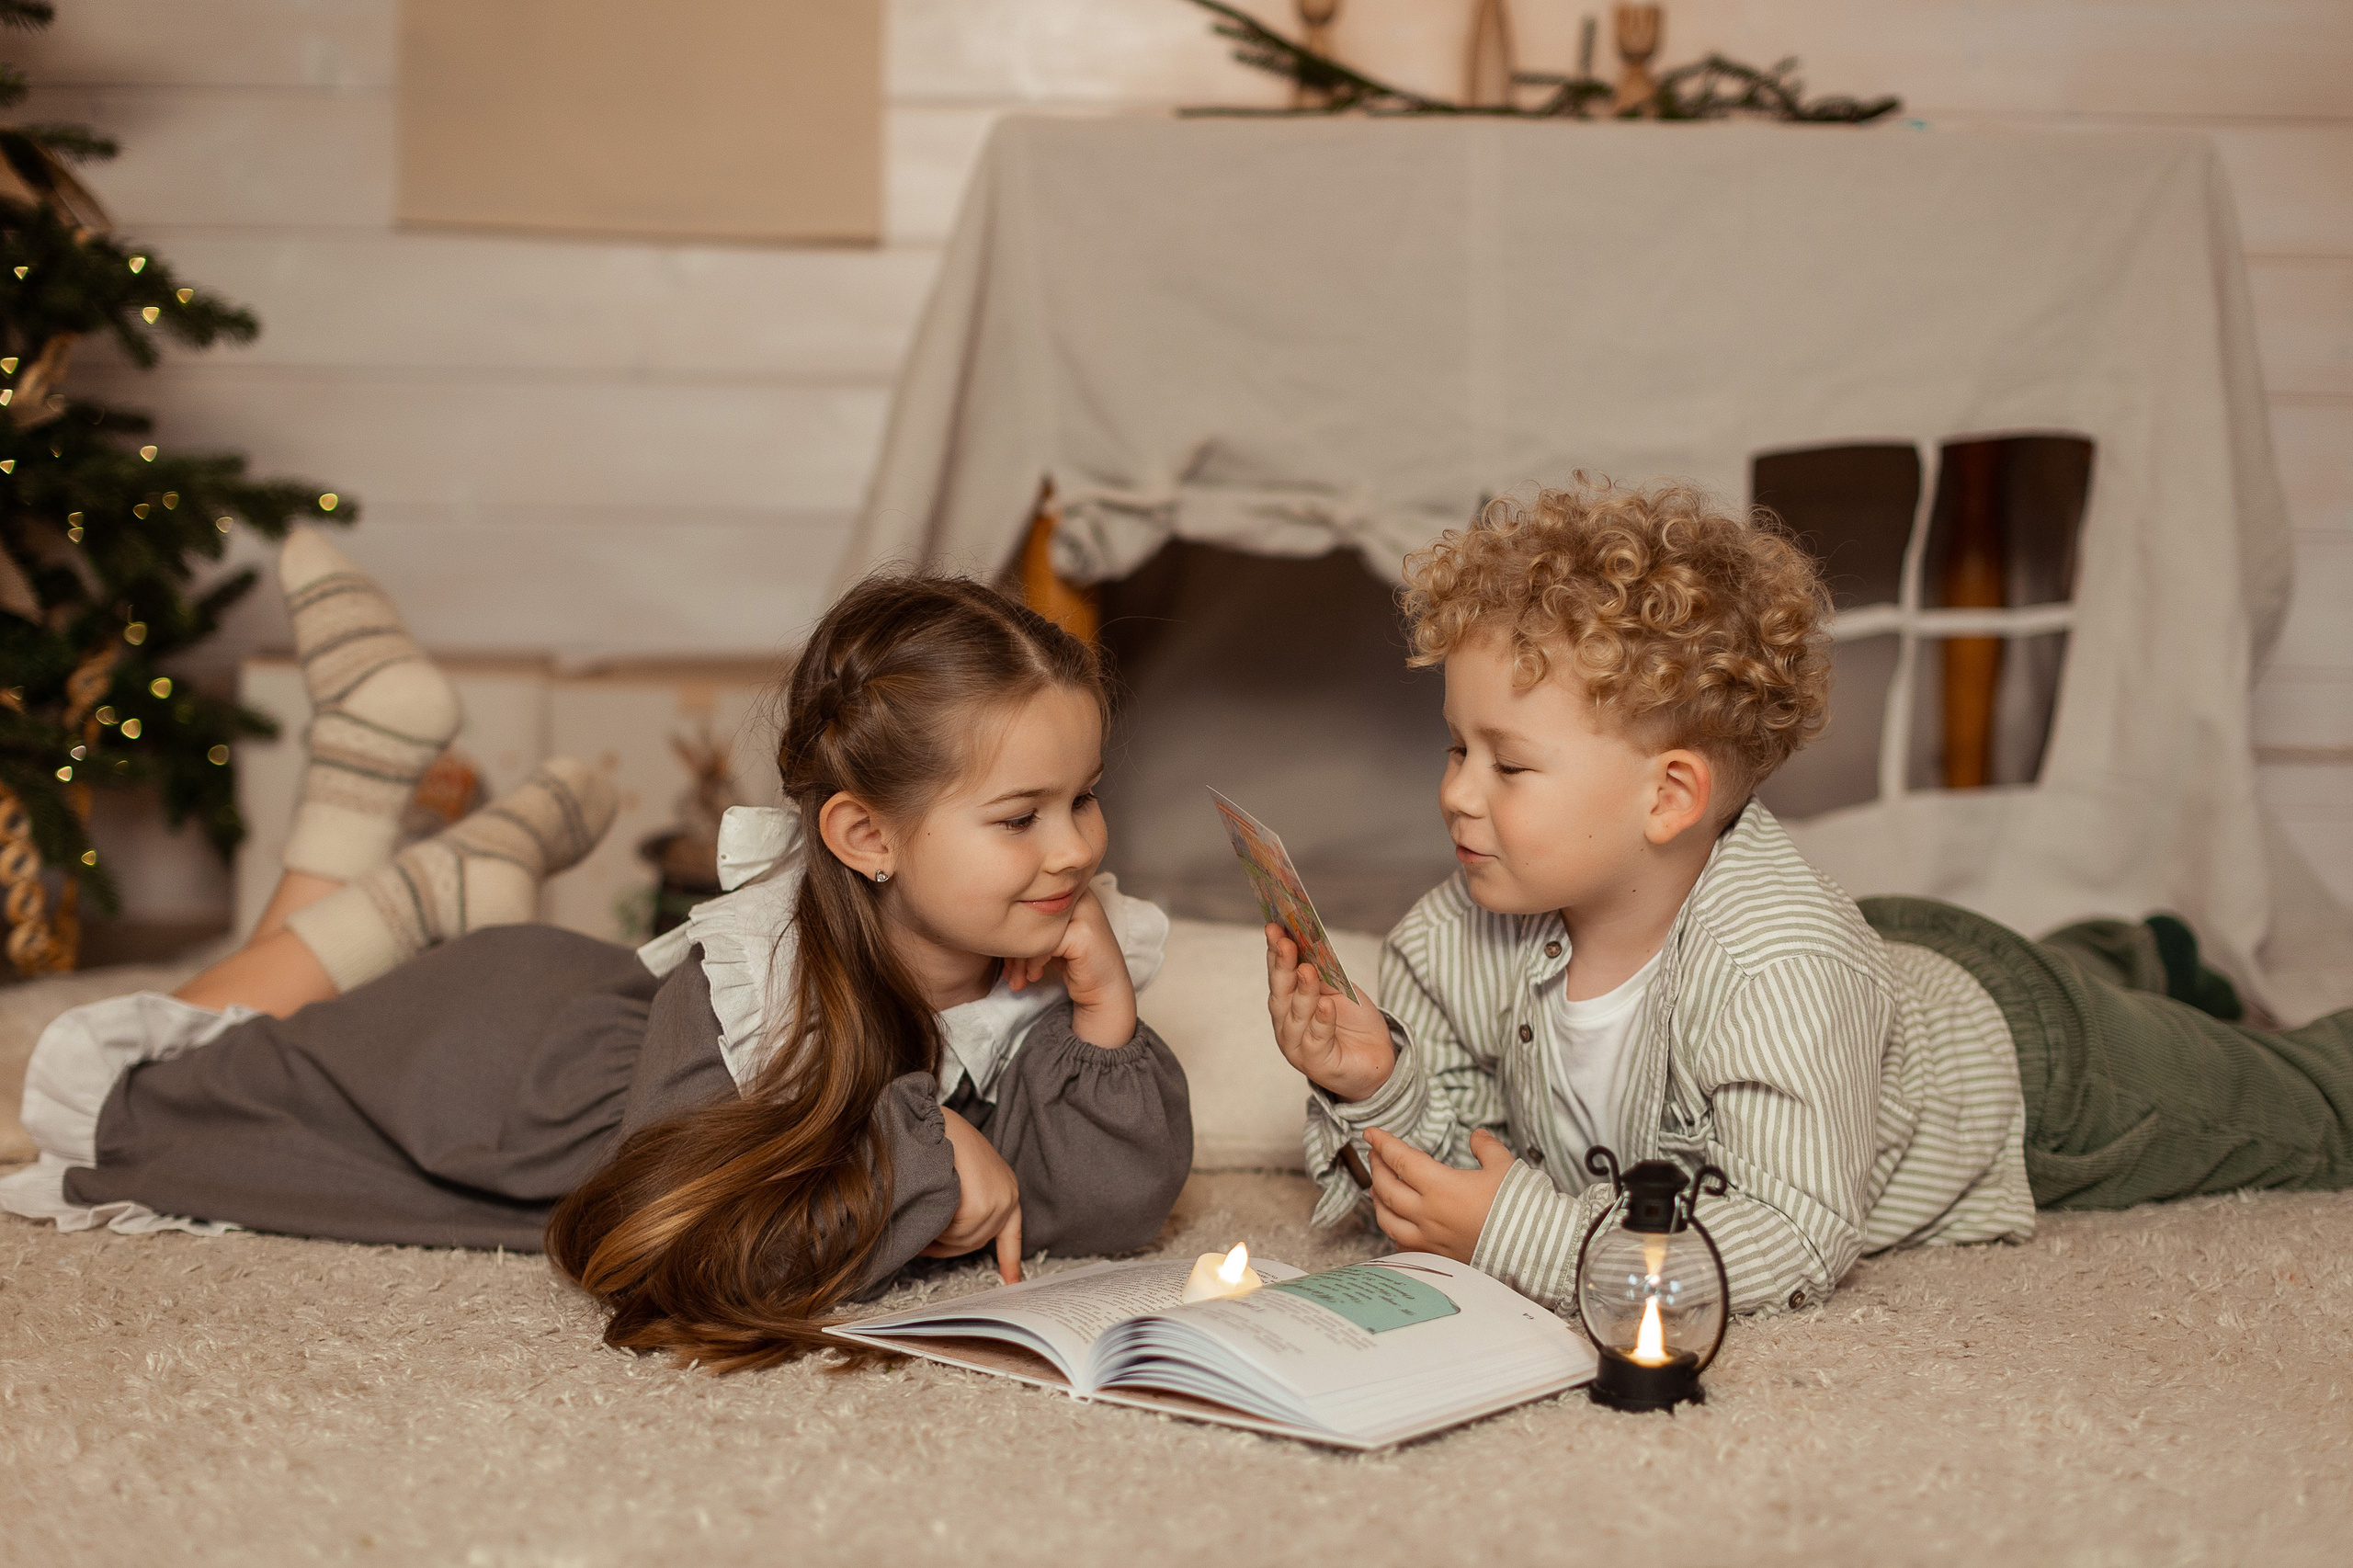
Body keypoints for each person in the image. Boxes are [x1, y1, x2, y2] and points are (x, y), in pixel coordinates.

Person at [2, 539, 1192, 1369]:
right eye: (1021, 815)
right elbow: (667, 1250)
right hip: (473, 1060)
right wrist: (930, 1156)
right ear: (864, 836)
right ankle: (382, 819)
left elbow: (1103, 1212)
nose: (1074, 849)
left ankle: (418, 853)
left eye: (1084, 800)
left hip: (561, 990)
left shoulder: (1031, 954)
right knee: (153, 1095)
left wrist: (1103, 1028)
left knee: (224, 1025)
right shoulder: (759, 989)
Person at [1263, 477, 2353, 1318]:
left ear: (1670, 795)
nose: (1453, 790)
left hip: (2029, 1070)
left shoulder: (1782, 966)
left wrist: (1531, 1242)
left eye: (1507, 764)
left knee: (2309, 1113)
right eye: (1455, 745)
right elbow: (1471, 1173)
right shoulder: (1451, 930)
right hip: (1890, 962)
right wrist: (1379, 1085)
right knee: (2070, 973)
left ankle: (2120, 976)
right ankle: (2136, 948)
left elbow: (1795, 1233)